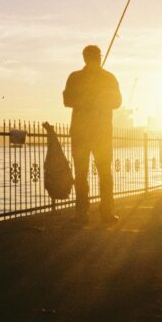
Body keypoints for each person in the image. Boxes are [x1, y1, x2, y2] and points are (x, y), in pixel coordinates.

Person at [63, 45, 122, 224]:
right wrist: (95, 99)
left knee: (84, 174)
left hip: (84, 132)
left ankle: (83, 214)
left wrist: (87, 99)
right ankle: (106, 213)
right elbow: (117, 101)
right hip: (99, 132)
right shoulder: (107, 78)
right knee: (101, 173)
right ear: (97, 57)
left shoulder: (77, 77)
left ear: (85, 58)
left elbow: (68, 100)